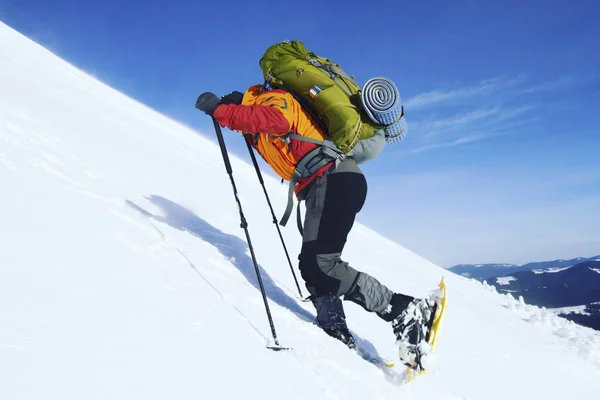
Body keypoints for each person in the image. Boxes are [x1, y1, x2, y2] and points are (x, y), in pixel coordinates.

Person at [195, 85, 433, 358]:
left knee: (321, 264)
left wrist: (223, 111)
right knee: (313, 263)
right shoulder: (260, 112)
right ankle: (334, 330)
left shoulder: (273, 97)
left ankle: (402, 309)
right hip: (329, 183)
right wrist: (236, 117)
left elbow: (277, 120)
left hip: (333, 180)